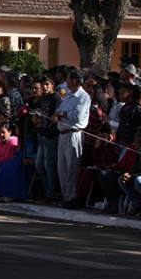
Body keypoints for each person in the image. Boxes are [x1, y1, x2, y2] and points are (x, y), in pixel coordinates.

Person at [54, 69, 91, 207]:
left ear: (75, 80)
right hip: (62, 134)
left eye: (69, 79)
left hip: (74, 134)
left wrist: (62, 114)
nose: (67, 82)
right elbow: (60, 111)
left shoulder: (83, 97)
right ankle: (66, 195)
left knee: (72, 167)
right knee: (61, 167)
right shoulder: (68, 96)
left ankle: (72, 197)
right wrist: (57, 115)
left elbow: (77, 117)